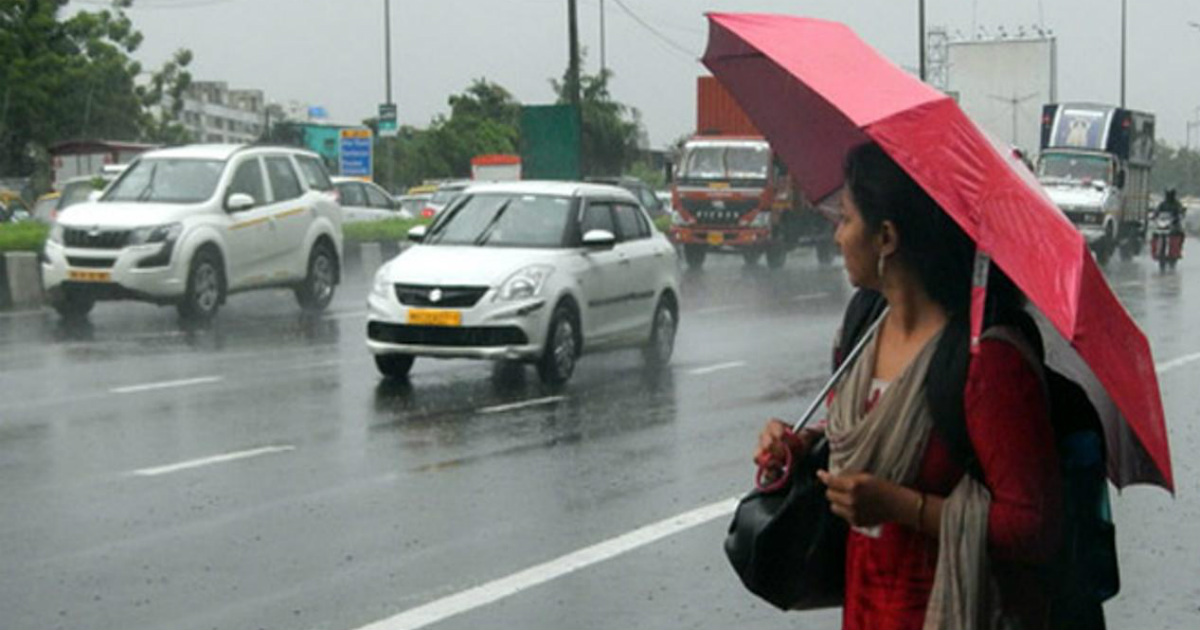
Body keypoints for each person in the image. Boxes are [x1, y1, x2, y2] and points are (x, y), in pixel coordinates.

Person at [755, 142, 1062, 630]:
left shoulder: (987, 361)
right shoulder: (864, 327)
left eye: (846, 219)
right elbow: (867, 433)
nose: (836, 237)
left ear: (887, 237)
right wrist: (804, 443)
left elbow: (1032, 527)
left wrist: (903, 507)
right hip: (866, 608)